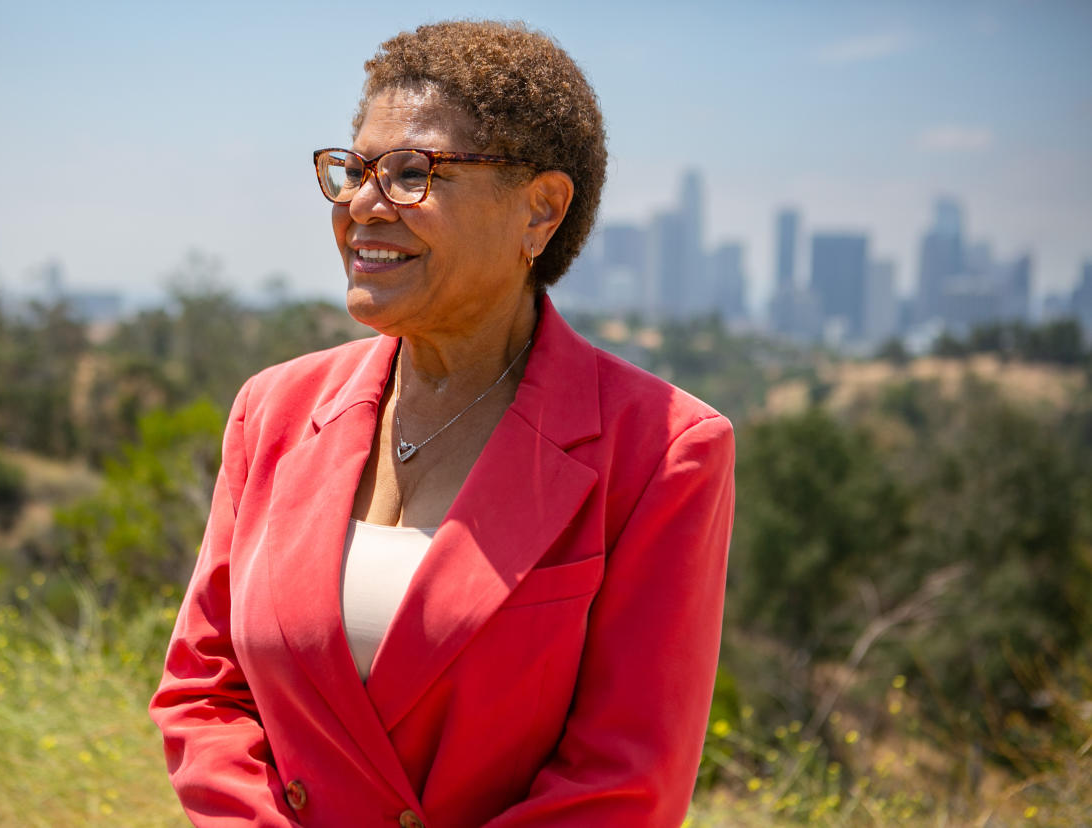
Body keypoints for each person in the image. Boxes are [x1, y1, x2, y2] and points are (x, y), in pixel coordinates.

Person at [150, 20, 735, 828]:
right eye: (354, 170)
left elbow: (624, 784)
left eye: (413, 173)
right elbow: (203, 691)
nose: (362, 205)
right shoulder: (273, 411)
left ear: (541, 209)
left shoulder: (662, 450)